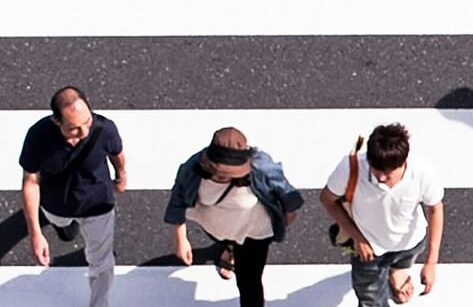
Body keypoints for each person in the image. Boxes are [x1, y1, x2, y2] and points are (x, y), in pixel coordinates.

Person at [163, 128, 305, 307]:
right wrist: (180, 239)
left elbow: (284, 189)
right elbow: (178, 199)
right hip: (216, 227)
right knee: (225, 241)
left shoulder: (261, 166)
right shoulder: (191, 169)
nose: (223, 178)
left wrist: (288, 211)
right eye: (220, 172)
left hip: (255, 232)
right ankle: (230, 249)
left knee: (249, 281)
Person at [18, 86, 126, 307]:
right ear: (57, 122)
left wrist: (121, 174)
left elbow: (116, 152)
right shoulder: (38, 137)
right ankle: (66, 228)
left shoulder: (104, 128)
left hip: (98, 205)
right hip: (56, 205)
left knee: (101, 263)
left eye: (87, 122)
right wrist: (35, 233)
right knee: (66, 232)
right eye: (74, 128)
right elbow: (30, 182)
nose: (84, 133)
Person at [320, 124, 445, 307]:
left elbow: (435, 209)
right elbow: (327, 199)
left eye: (388, 174)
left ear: (404, 163)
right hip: (368, 249)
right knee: (370, 300)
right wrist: (358, 238)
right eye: (375, 171)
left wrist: (431, 263)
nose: (381, 179)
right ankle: (394, 272)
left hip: (410, 242)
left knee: (403, 261)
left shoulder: (423, 172)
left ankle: (395, 271)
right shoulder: (350, 168)